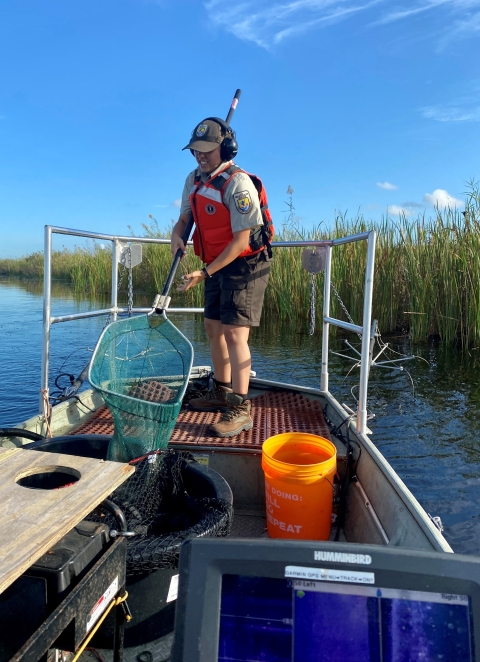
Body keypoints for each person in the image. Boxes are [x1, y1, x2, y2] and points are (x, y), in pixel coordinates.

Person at [171, 117, 273, 438]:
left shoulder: (238, 184)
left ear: (225, 148)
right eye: (195, 151)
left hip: (245, 263)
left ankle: (240, 407)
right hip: (214, 261)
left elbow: (241, 241)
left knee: (234, 334)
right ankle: (220, 389)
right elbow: (184, 220)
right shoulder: (194, 179)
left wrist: (204, 272)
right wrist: (177, 235)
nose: (200, 157)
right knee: (212, 328)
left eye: (207, 151)